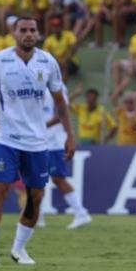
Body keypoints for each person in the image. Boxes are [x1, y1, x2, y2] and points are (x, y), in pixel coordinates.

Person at [0, 17, 74, 266]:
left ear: (38, 34)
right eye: (23, 30)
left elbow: (60, 103)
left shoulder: (48, 62)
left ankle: (19, 249)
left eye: (32, 30)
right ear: (14, 33)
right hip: (6, 137)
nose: (28, 34)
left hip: (37, 140)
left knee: (36, 195)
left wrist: (70, 136)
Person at [38, 88, 92, 230]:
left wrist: (43, 126)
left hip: (54, 142)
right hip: (41, 141)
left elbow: (62, 113)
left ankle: (81, 213)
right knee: (37, 178)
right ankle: (38, 216)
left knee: (58, 178)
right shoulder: (37, 87)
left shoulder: (56, 87)